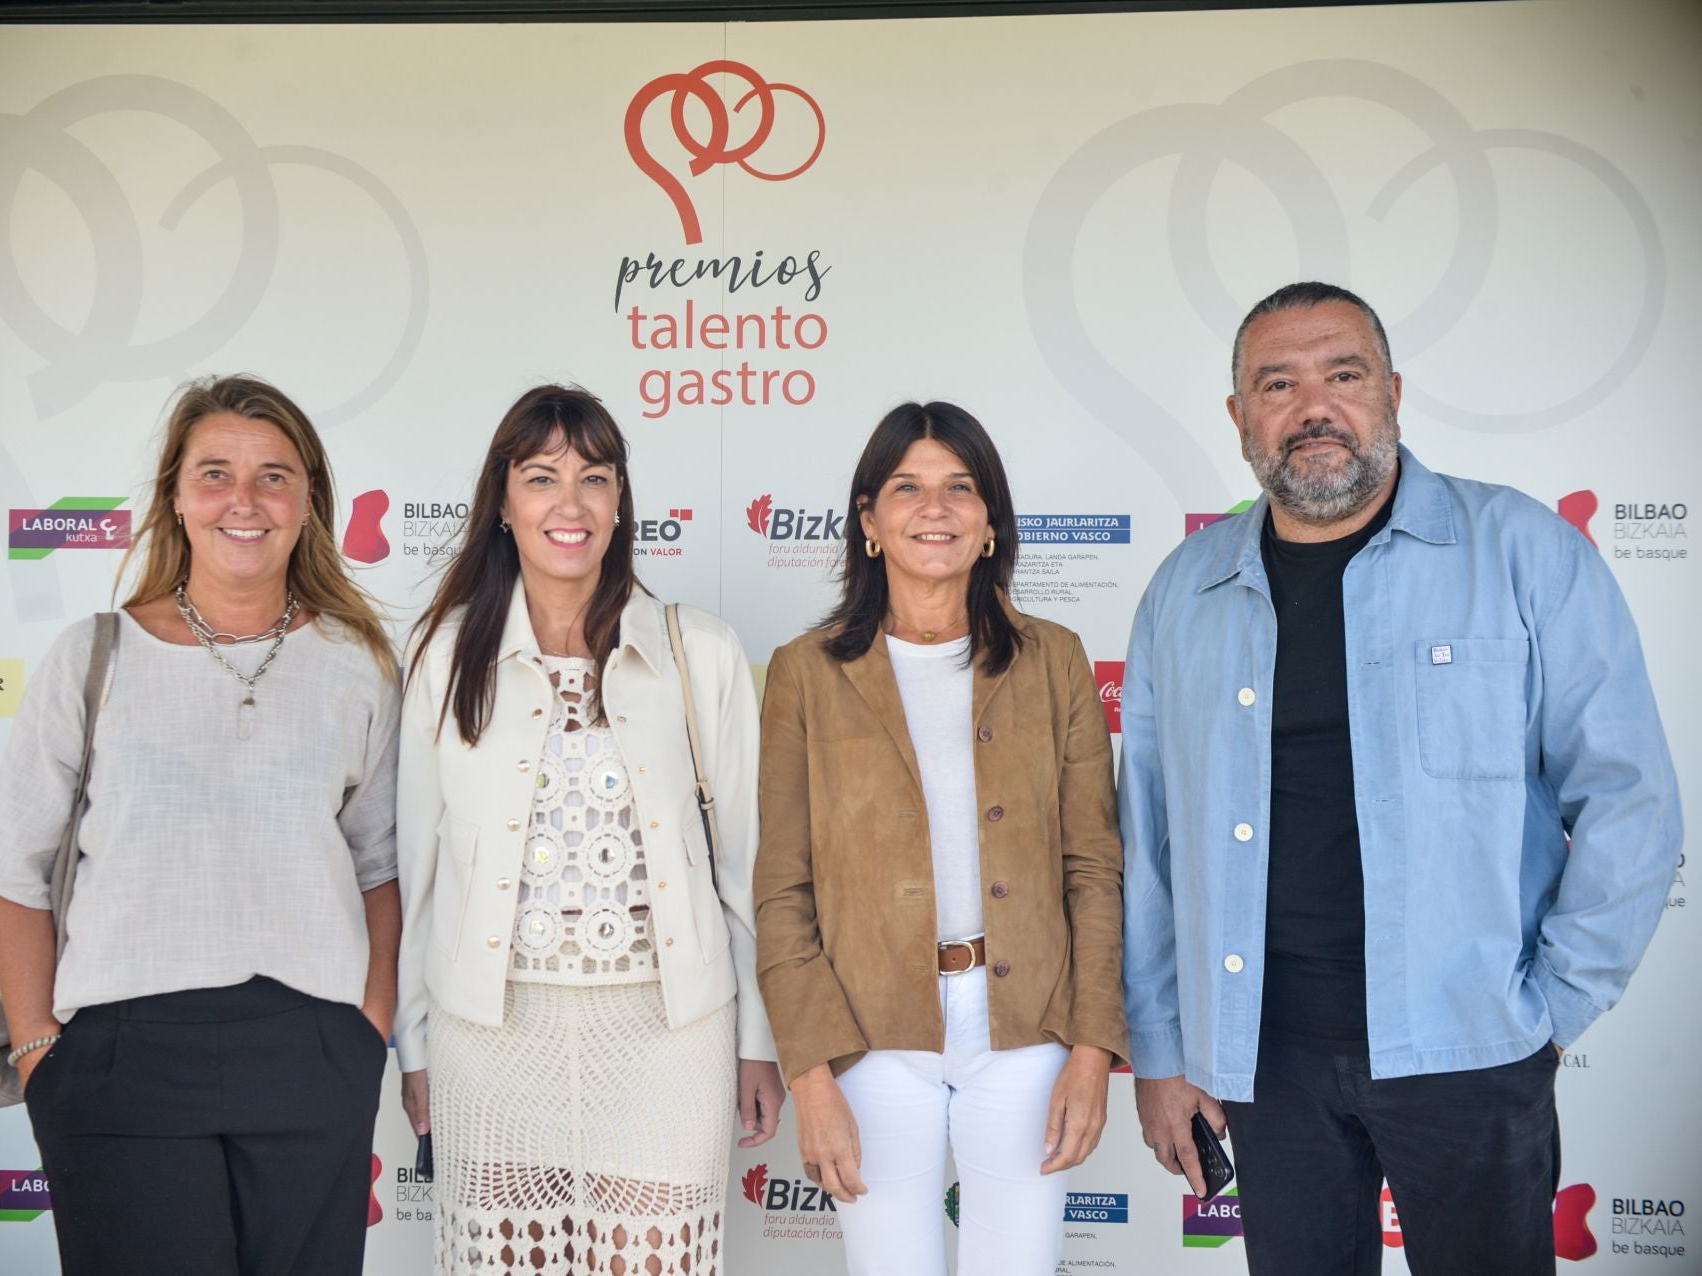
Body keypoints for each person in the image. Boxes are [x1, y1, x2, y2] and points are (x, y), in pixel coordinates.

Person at [1119, 281, 1684, 1274]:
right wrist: (1163, 1047)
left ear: (1393, 391)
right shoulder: (1185, 591)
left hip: (1470, 1049)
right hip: (1263, 1061)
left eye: (1343, 374)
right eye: (1278, 384)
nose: (1313, 407)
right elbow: (1150, 842)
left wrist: (1550, 1007)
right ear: (1239, 416)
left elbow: (1631, 796)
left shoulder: (1520, 551)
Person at [0, 375, 401, 1275]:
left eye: (274, 475)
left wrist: (368, 1029)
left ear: (310, 498)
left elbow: (379, 868)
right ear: (174, 494)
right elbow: (15, 872)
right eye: (215, 473)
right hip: (119, 1059)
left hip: (311, 1054)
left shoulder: (356, 667)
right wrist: (42, 1049)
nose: (244, 500)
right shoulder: (92, 657)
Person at [395, 384, 782, 1276]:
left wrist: (757, 1039)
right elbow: (417, 864)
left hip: (668, 1040)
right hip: (488, 1037)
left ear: (619, 503)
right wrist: (414, 1041)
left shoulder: (702, 653)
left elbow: (744, 870)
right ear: (504, 503)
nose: (570, 504)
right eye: (542, 478)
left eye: (593, 478)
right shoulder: (446, 656)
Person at [754, 401, 1128, 1276]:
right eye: (907, 488)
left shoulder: (1056, 659)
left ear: (990, 521)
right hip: (870, 1036)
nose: (936, 508)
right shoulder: (805, 674)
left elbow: (1094, 869)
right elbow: (781, 889)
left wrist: (1091, 1049)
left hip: (1029, 1031)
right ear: (869, 522)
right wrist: (811, 1072)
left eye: (960, 487)